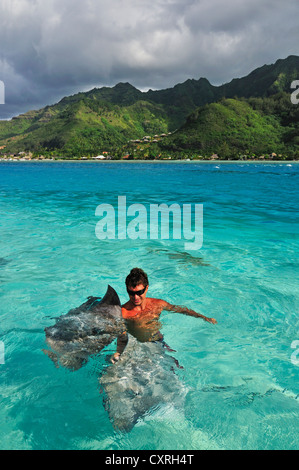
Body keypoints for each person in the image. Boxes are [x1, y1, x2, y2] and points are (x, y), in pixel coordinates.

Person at [110, 267, 217, 363]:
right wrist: (118, 353)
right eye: (131, 293)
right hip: (142, 346)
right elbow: (122, 337)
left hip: (159, 341)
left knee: (176, 366)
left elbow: (180, 310)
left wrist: (204, 317)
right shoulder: (123, 313)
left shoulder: (158, 304)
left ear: (146, 288)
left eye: (139, 292)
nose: (135, 297)